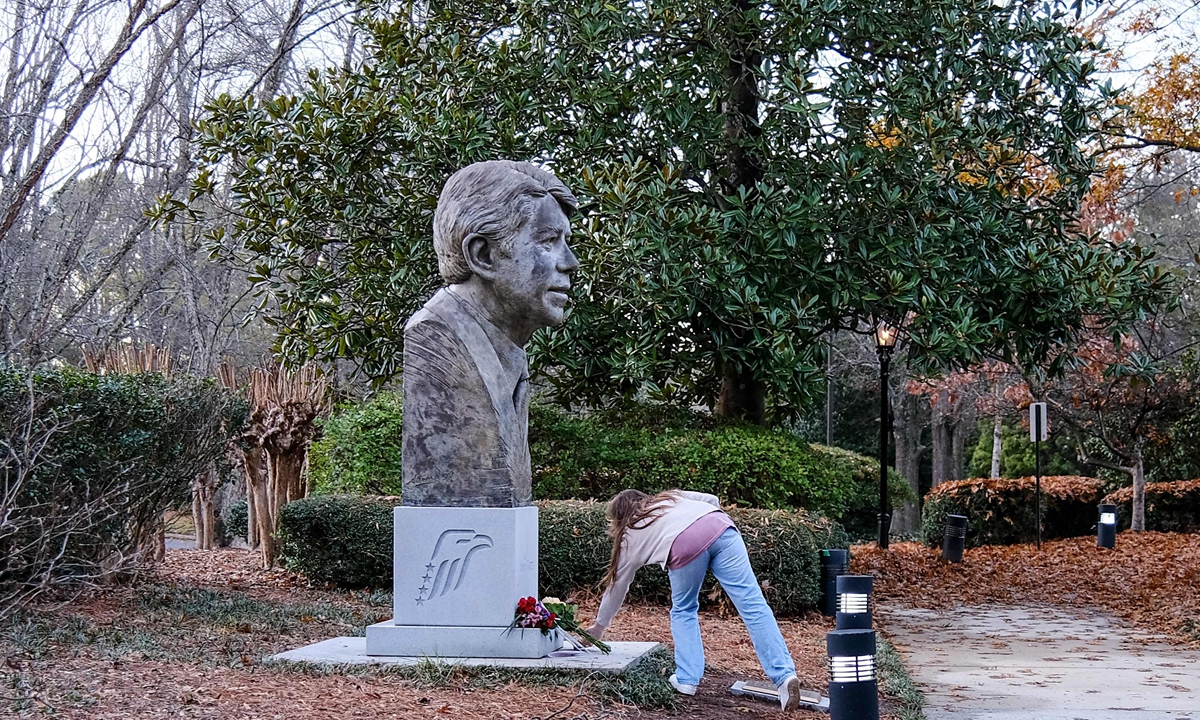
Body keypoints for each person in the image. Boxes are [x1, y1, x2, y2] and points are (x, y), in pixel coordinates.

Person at [584, 489, 804, 711]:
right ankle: (785, 676)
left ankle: (687, 679)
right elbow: (711, 499)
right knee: (753, 605)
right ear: (643, 499)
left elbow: (617, 587)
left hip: (684, 543)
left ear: (619, 517)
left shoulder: (629, 535)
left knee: (684, 609)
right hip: (719, 526)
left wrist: (599, 626)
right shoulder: (670, 497)